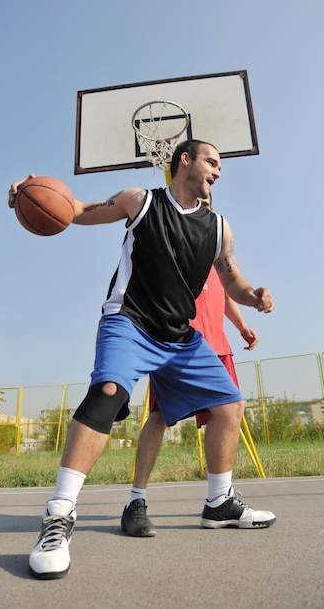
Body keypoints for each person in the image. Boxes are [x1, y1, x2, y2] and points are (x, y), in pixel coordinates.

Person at [8, 139, 276, 580]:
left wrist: (254, 295)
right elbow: (74, 210)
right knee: (109, 394)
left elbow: (232, 279)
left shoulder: (219, 228)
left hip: (178, 335)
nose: (218, 171)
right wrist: (31, 188)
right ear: (184, 161)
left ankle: (218, 502)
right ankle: (58, 516)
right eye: (212, 161)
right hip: (129, 322)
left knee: (230, 404)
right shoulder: (140, 201)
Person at [121, 197, 260, 538]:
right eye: (200, 202)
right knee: (159, 417)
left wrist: (241, 325)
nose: (206, 206)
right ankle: (136, 501)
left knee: (228, 413)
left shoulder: (216, 249)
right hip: (178, 343)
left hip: (218, 347)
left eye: (210, 203)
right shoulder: (176, 240)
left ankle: (219, 500)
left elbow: (228, 293)